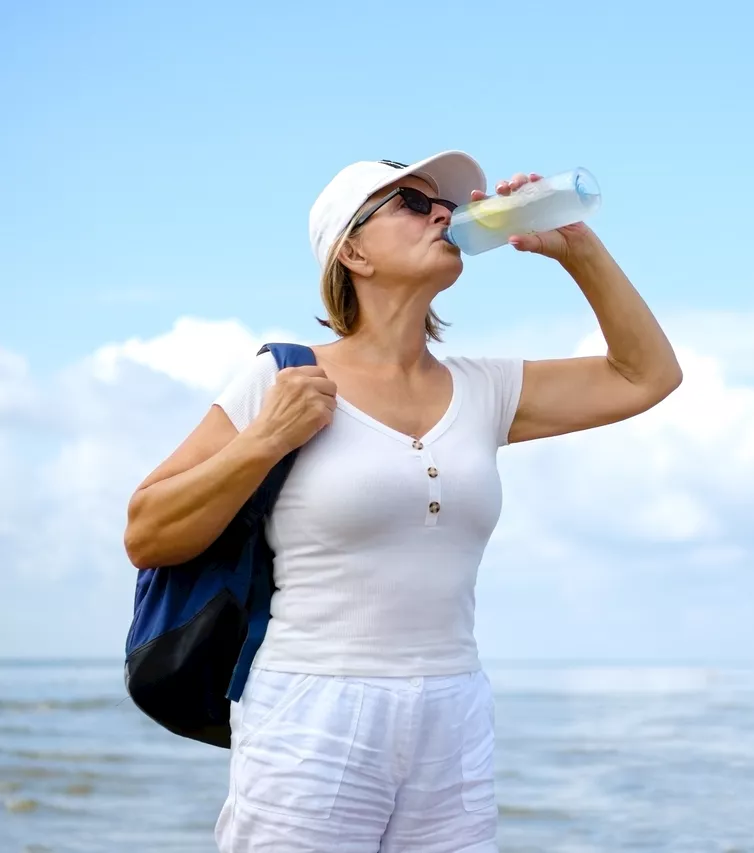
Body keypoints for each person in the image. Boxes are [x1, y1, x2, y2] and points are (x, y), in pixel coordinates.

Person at [122, 150, 682, 852]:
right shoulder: (283, 376)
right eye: (413, 204)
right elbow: (146, 532)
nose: (443, 212)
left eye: (443, 203)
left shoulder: (486, 389)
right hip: (311, 710)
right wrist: (264, 439)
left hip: (453, 712)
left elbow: (647, 376)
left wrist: (580, 252)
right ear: (351, 250)